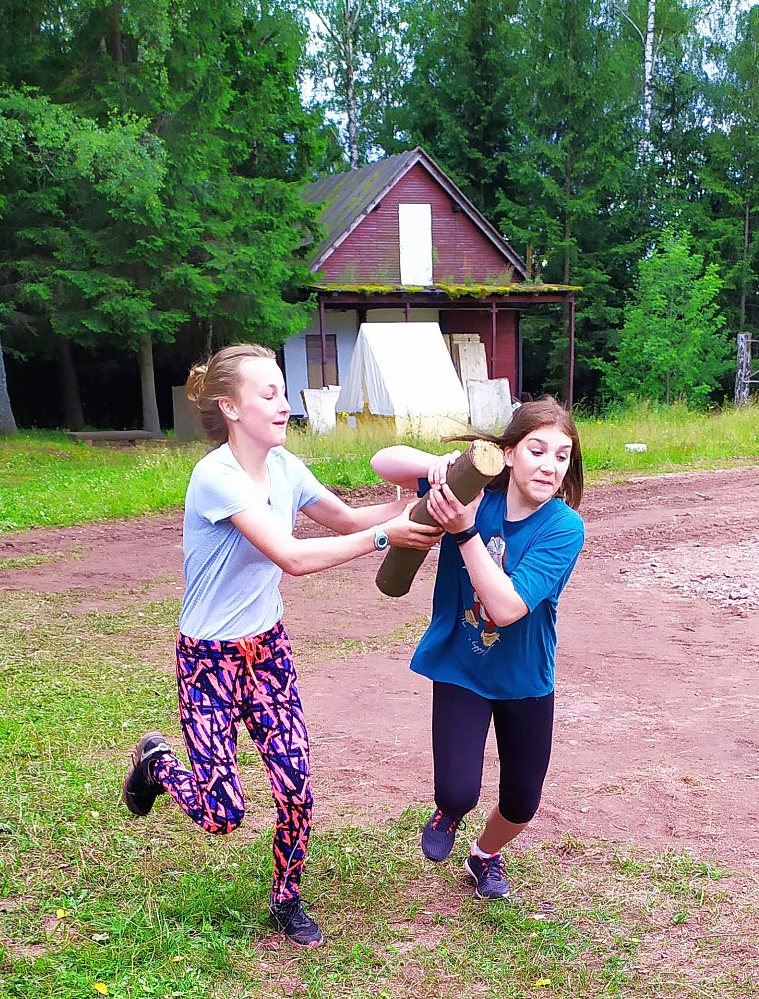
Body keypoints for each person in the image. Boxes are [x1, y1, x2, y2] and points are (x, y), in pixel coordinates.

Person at [121, 343, 439, 948]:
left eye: (283, 392)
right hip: (209, 660)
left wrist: (416, 509)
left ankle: (286, 898)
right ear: (230, 407)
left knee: (295, 787)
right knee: (222, 814)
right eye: (268, 394)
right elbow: (292, 556)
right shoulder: (216, 476)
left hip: (267, 652)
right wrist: (386, 536)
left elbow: (347, 520)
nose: (283, 404)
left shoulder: (286, 468)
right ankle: (157, 762)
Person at [370, 398, 585, 903]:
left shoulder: (563, 527)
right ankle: (448, 811)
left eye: (562, 456)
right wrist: (438, 467)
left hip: (524, 677)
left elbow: (507, 607)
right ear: (507, 454)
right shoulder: (472, 492)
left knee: (522, 801)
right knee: (457, 791)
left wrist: (463, 531)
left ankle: (484, 854)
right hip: (461, 664)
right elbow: (383, 461)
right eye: (537, 450)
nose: (550, 466)